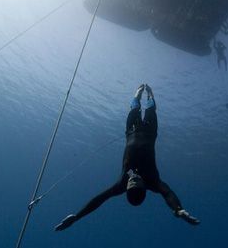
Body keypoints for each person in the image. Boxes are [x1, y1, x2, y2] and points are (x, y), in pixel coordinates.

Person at [55, 84, 200, 231]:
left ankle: (137, 94)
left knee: (134, 109)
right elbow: (167, 193)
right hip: (150, 131)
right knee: (150, 108)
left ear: (126, 186)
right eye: (137, 180)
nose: (134, 177)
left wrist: (77, 216)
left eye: (131, 181)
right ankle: (150, 94)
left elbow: (99, 199)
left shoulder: (122, 183)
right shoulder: (153, 181)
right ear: (145, 186)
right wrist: (178, 209)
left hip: (131, 131)